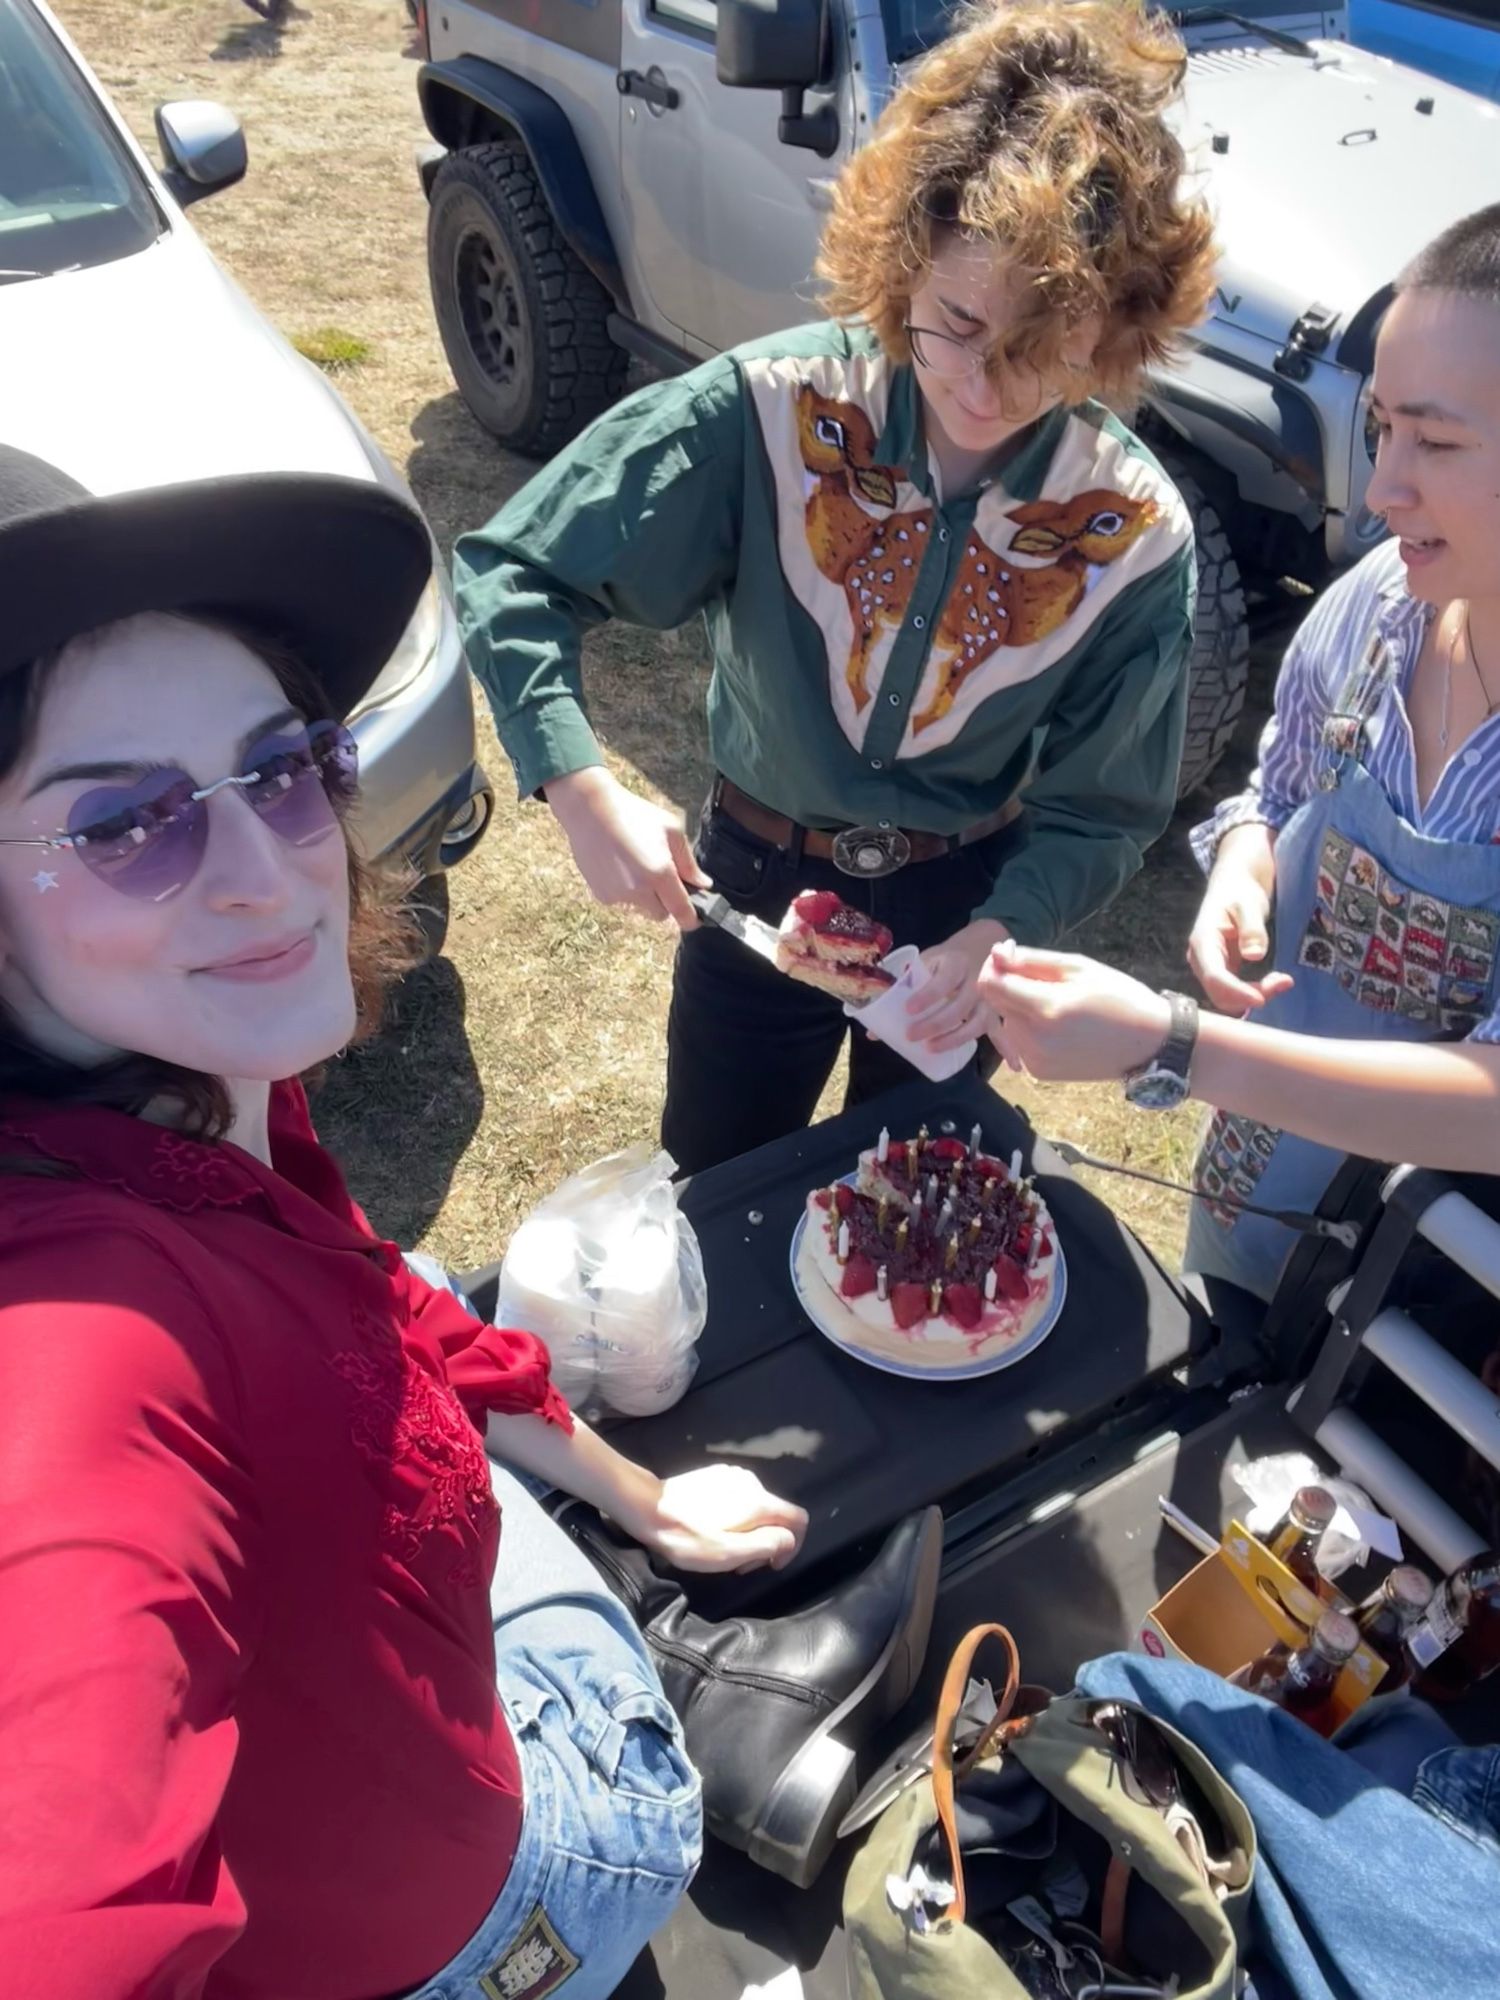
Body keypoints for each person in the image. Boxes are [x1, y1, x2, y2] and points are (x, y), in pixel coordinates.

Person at [0, 446, 941, 2000]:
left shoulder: (185, 1076)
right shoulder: (81, 1356)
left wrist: (639, 1494)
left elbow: (363, 1287)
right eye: (125, 826)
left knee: (424, 1275)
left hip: (365, 1771)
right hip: (517, 1886)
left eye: (283, 764)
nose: (271, 875)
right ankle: (712, 1693)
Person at [455, 0, 1217, 1174]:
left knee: (911, 1198)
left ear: (1118, 328)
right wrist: (577, 782)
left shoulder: (1135, 531)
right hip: (752, 882)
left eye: (1043, 349)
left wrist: (997, 930)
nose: (983, 386)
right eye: (958, 322)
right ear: (905, 256)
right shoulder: (769, 410)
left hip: (962, 906)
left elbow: (1103, 808)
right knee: (715, 1180)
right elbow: (516, 571)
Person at [977, 202, 1500, 1300]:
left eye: (1437, 441)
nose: (1385, 487)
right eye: (1382, 431)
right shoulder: (1381, 603)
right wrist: (1244, 868)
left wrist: (1172, 1043)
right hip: (1264, 1195)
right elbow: (1277, 787)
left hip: (1444, 1289)